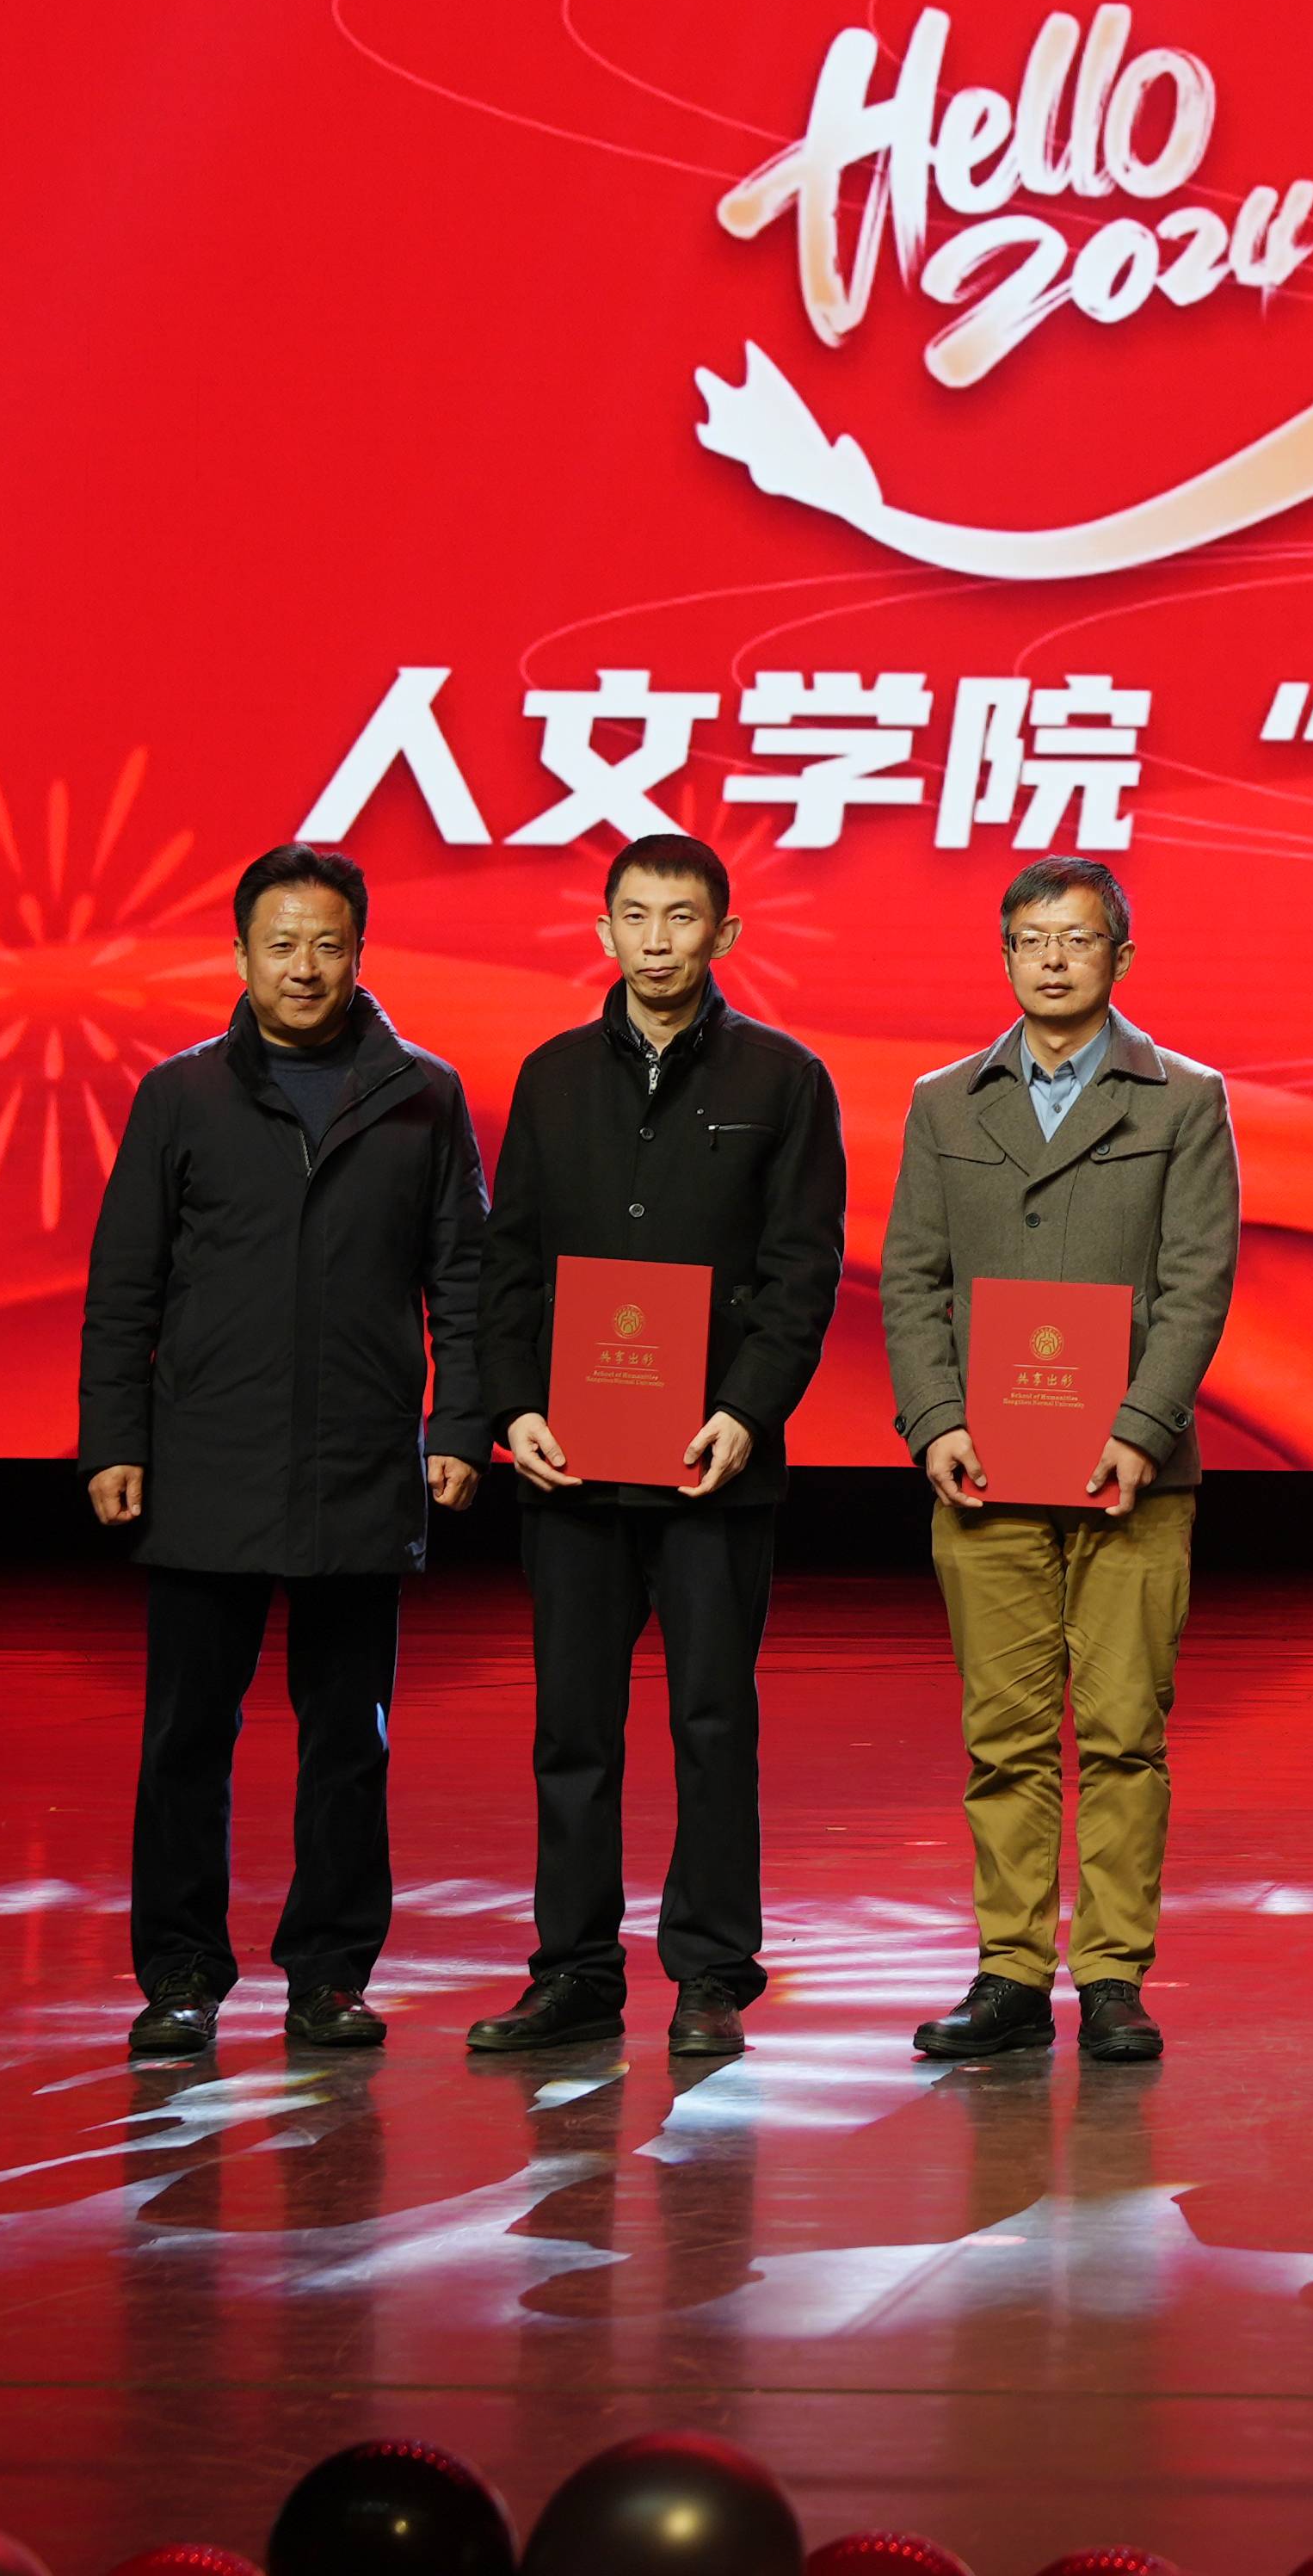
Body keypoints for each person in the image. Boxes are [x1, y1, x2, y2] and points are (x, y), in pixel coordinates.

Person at [76, 843, 488, 2060]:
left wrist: (460, 1424)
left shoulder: (424, 1092)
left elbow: (465, 1281)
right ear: (242, 954)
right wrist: (114, 1439)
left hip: (360, 1459)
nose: (304, 968)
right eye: (281, 944)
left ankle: (330, 1975)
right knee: (185, 1738)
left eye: (327, 945)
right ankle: (180, 1975)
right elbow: (125, 1285)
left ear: (360, 953)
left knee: (348, 1739)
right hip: (207, 1456)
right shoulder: (181, 1095)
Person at [464, 832, 849, 2060]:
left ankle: (711, 1974)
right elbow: (507, 1262)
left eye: (682, 917)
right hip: (570, 1462)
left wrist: (746, 1410)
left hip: (711, 1465)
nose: (658, 940)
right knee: (571, 1730)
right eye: (635, 916)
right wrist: (511, 1406)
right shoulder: (551, 1076)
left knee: (712, 1723)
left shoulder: (784, 1079)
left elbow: (801, 1271)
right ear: (605, 931)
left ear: (724, 934)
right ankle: (574, 1971)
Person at [879, 853, 1241, 2067]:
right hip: (984, 1468)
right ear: (1005, 956)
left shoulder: (1184, 1099)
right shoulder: (945, 1101)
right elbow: (911, 1280)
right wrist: (935, 1420)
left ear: (1119, 959)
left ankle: (1116, 1975)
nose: (1051, 959)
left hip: (1132, 1473)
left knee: (1126, 1731)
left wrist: (1142, 1427)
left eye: (1076, 940)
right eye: (1030, 940)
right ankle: (1011, 1973)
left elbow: (1198, 1283)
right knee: (1006, 1736)